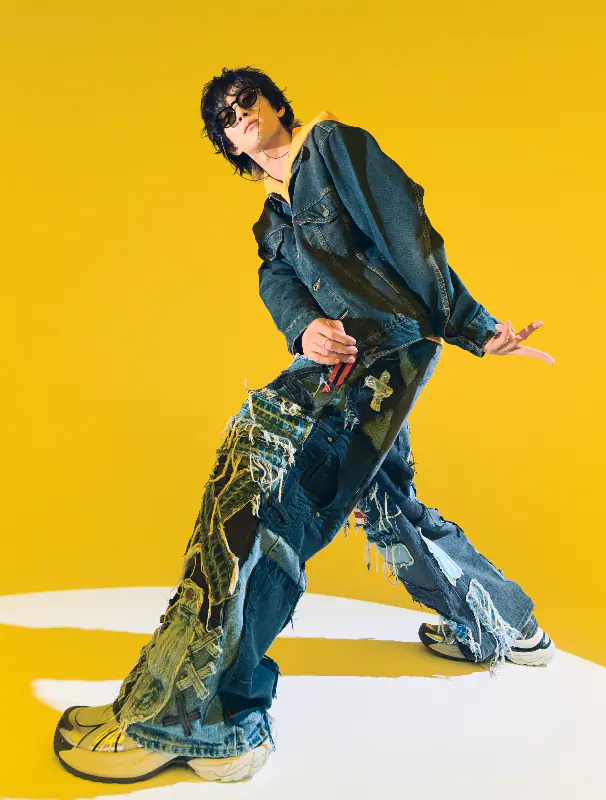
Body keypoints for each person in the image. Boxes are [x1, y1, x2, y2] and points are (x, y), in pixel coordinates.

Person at [53, 66, 556, 785]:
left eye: (247, 101)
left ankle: (213, 719)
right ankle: (506, 623)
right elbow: (278, 282)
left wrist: (477, 329)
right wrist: (303, 328)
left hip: (384, 353)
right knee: (381, 502)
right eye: (226, 117)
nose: (241, 116)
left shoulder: (333, 147)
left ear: (275, 103)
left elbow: (408, 234)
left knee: (269, 486)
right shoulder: (270, 218)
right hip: (340, 360)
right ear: (227, 143)